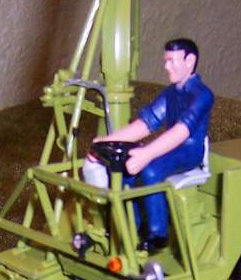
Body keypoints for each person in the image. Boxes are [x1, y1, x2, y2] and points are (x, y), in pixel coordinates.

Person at [85, 37, 214, 250]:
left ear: (190, 61)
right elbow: (147, 123)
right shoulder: (170, 93)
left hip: (189, 150)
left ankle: (158, 234)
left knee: (151, 171)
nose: (166, 66)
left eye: (172, 61)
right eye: (166, 61)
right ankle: (130, 225)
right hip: (170, 146)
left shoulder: (202, 95)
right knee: (126, 170)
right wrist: (106, 141)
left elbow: (181, 132)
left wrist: (147, 154)